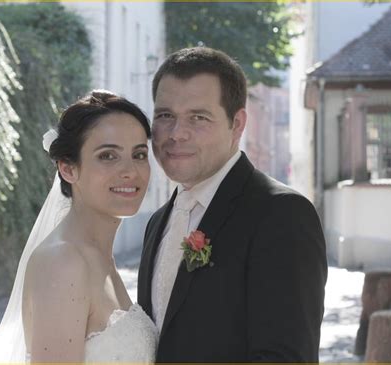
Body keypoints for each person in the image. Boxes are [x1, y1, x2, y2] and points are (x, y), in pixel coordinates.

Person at [138, 47, 328, 362]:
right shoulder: (157, 222)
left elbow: (285, 358)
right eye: (165, 115)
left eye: (198, 117)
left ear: (237, 124)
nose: (176, 133)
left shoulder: (281, 214)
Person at [0, 90, 157, 363]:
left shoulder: (97, 255)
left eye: (139, 154)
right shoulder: (63, 261)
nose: (131, 170)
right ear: (68, 169)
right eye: (108, 156)